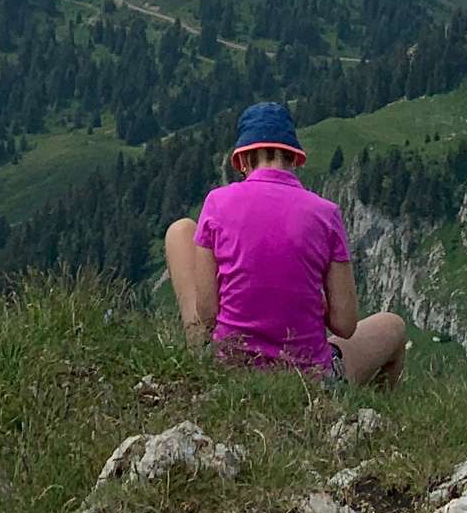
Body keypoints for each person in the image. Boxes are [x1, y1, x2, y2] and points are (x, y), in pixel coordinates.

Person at [164, 101, 406, 386]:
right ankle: (363, 411)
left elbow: (207, 313)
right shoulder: (326, 214)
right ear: (294, 160)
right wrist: (307, 297)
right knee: (393, 325)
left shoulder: (217, 202)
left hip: (228, 370)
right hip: (309, 382)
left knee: (180, 231)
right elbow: (345, 324)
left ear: (242, 161)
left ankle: (199, 355)